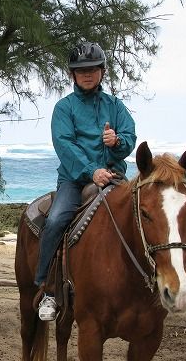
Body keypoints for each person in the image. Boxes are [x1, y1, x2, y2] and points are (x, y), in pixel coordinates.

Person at [35, 41, 136, 321]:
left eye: (93, 69)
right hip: (75, 180)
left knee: (142, 216)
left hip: (114, 176)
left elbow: (130, 138)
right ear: (72, 74)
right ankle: (48, 290)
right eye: (81, 70)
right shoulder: (64, 108)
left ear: (102, 71)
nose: (87, 74)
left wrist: (117, 142)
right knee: (56, 221)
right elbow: (65, 145)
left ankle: (146, 280)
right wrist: (92, 171)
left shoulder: (116, 106)